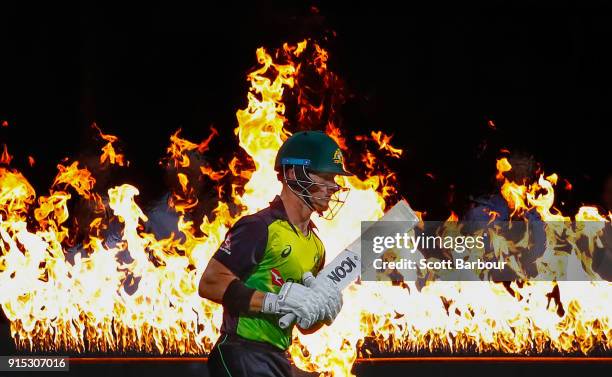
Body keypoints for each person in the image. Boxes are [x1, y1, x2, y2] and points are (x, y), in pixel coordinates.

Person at [199, 131, 351, 377]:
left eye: (334, 179)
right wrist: (277, 301)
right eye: (325, 178)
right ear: (292, 174)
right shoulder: (258, 227)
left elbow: (303, 326)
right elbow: (209, 283)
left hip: (279, 357)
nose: (333, 187)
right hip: (241, 351)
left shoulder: (316, 247)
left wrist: (323, 311)